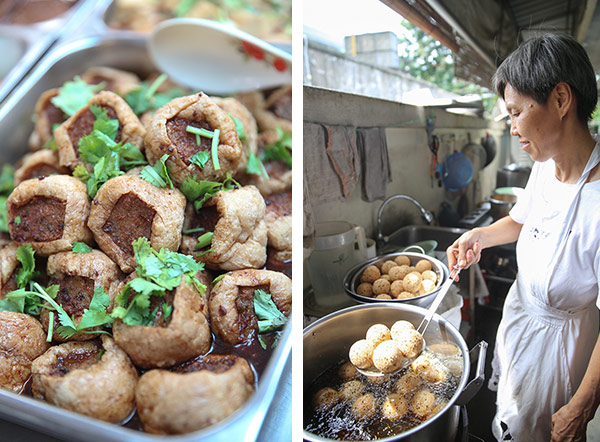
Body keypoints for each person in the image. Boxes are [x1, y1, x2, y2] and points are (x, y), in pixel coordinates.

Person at [447, 33, 600, 442]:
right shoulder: (545, 165)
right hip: (521, 319)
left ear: (561, 100)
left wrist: (582, 407)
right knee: (509, 418)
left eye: (516, 112)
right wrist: (478, 235)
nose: (512, 128)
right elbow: (519, 220)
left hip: (561, 349)